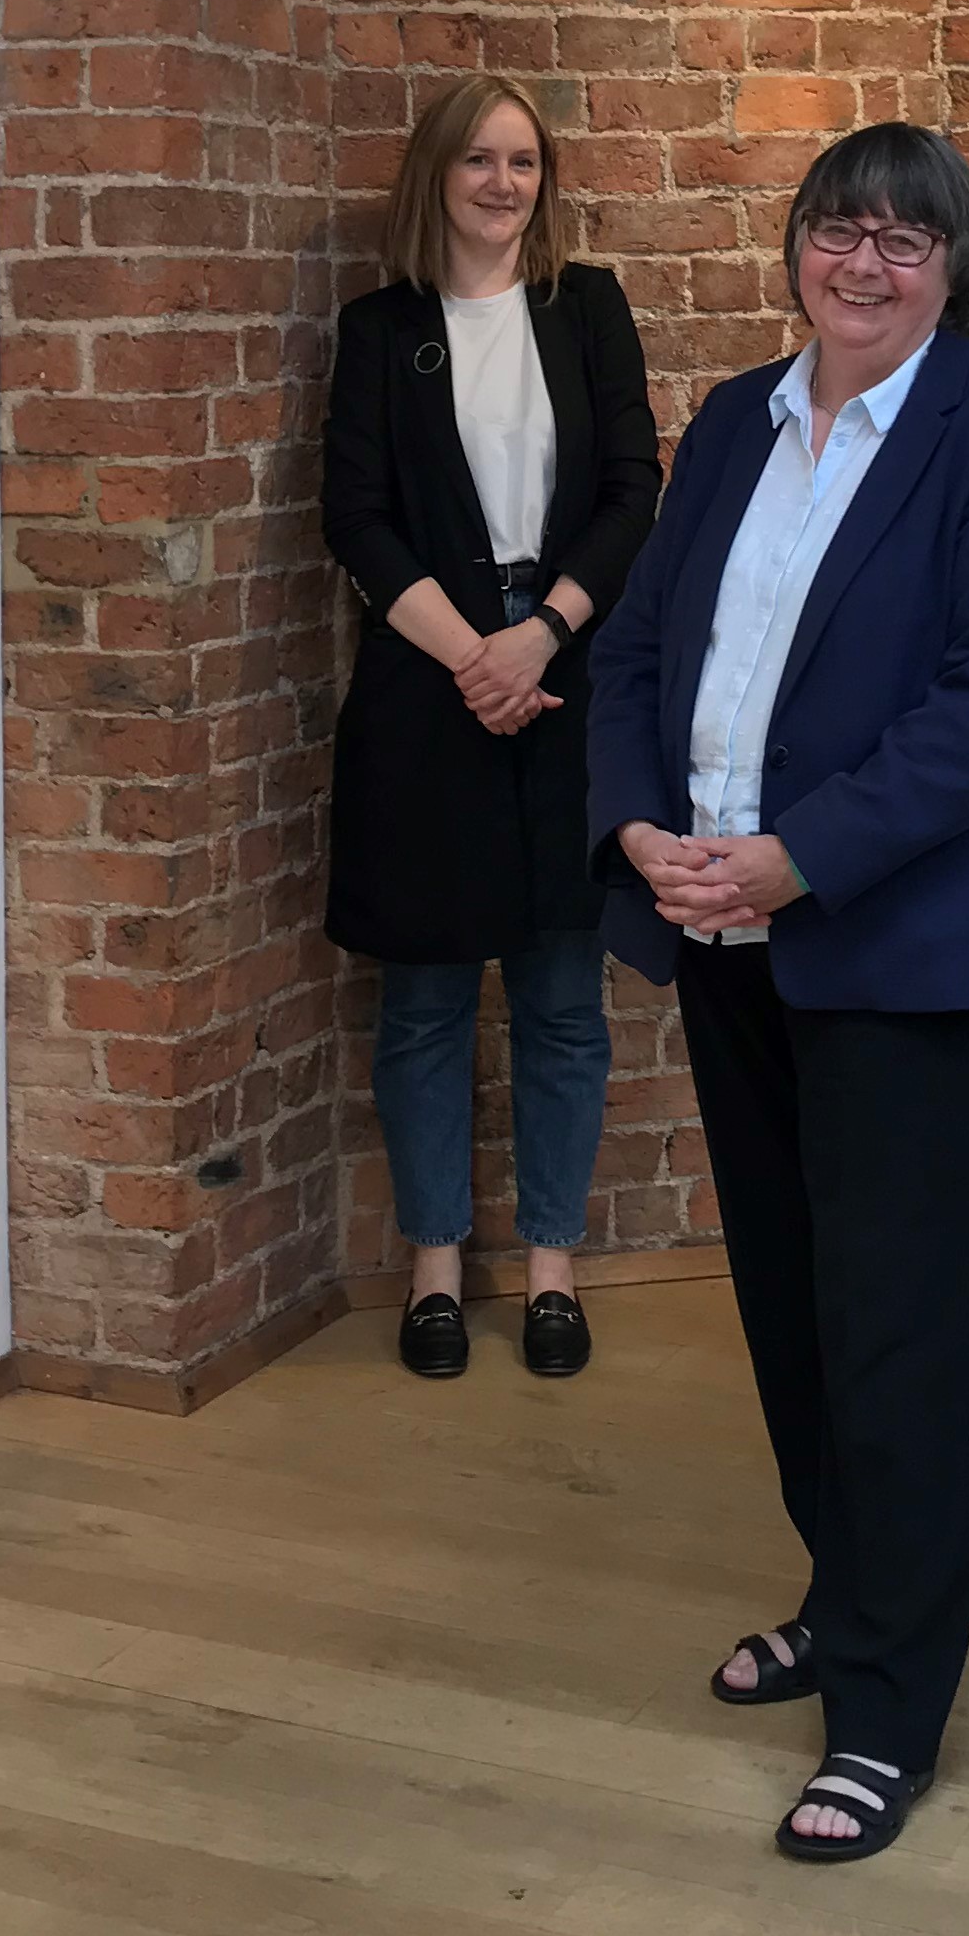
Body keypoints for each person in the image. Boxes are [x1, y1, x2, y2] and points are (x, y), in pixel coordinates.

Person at [585, 123, 969, 1866]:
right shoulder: (734, 415)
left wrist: (798, 854)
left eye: (902, 237)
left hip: (901, 947)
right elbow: (647, 642)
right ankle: (844, 1582)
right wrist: (639, 823)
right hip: (727, 932)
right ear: (793, 244)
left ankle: (886, 1701)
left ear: (957, 265)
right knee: (797, 1305)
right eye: (834, 227)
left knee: (903, 1328)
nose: (861, 262)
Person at [323, 74, 660, 1378]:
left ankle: (556, 1270)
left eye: (524, 161)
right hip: (430, 682)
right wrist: (474, 654)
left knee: (565, 997)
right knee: (423, 1003)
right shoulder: (379, 329)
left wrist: (543, 633)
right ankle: (436, 1273)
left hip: (565, 671)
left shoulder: (588, 310)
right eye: (479, 160)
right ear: (436, 177)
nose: (503, 184)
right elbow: (354, 516)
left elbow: (636, 487)